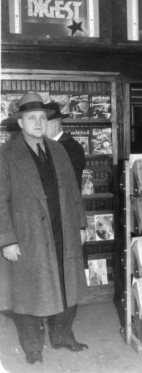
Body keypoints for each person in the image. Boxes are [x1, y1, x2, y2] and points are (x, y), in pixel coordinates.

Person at [0, 92, 89, 365]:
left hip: (63, 229)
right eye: (31, 118)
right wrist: (7, 240)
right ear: (21, 122)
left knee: (68, 285)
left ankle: (62, 335)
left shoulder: (59, 149)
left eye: (42, 118)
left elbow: (74, 191)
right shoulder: (5, 154)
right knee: (28, 292)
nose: (38, 122)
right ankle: (33, 347)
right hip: (28, 235)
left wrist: (82, 224)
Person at [44, 102, 86, 189]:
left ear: (55, 124)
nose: (41, 130)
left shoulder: (72, 147)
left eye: (43, 125)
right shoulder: (48, 144)